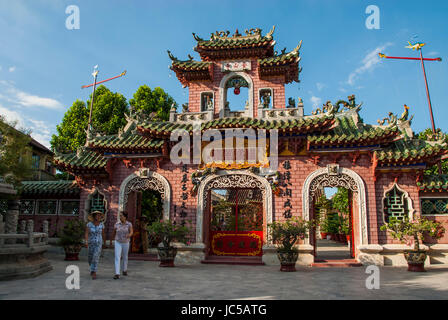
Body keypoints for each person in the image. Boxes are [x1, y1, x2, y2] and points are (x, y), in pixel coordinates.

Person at [111, 211, 133, 279]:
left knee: (125, 256)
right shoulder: (117, 224)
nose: (120, 217)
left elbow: (131, 231)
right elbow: (114, 232)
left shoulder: (129, 224)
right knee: (117, 256)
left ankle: (124, 269)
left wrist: (129, 235)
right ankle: (117, 273)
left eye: (121, 216)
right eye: (119, 216)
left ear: (125, 217)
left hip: (126, 242)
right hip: (118, 242)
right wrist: (111, 241)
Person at [85, 211, 106, 280]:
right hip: (91, 243)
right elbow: (87, 233)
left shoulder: (102, 225)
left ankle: (94, 272)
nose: (98, 217)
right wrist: (86, 241)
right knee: (90, 258)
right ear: (94, 216)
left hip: (98, 243)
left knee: (95, 257)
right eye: (97, 215)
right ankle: (92, 269)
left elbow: (103, 234)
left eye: (99, 215)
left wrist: (104, 243)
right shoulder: (89, 224)